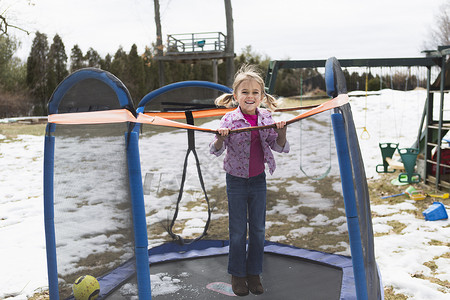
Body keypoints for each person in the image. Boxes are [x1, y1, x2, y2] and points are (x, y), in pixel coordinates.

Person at [210, 64, 289, 296]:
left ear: (262, 97)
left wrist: (281, 132)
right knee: (237, 230)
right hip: (235, 181)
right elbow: (215, 150)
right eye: (245, 92)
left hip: (258, 180)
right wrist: (219, 138)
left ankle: (254, 273)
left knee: (257, 229)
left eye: (255, 92)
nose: (250, 96)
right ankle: (237, 274)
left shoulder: (266, 117)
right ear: (236, 96)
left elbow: (278, 146)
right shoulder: (229, 119)